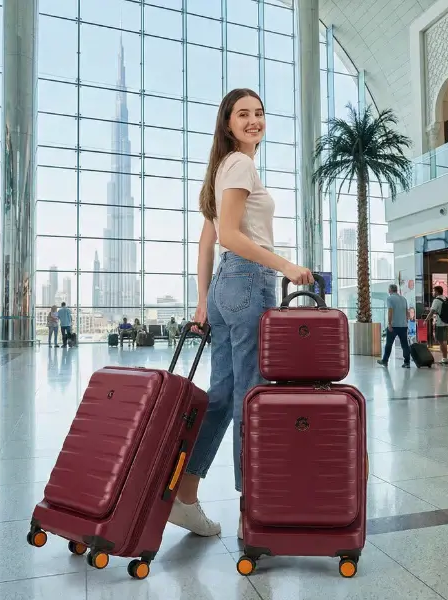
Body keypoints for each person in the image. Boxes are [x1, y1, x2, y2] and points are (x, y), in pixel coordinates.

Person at [167, 88, 313, 539]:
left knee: (225, 393)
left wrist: (204, 300)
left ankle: (184, 495)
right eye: (243, 114)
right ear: (227, 122)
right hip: (249, 282)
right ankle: (257, 510)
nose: (254, 120)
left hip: (226, 288)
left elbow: (207, 241)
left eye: (259, 113)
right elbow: (229, 235)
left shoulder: (222, 169)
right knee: (253, 396)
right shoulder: (240, 164)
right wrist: (285, 265)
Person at [378, 284, 411, 368]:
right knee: (405, 345)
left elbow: (390, 311)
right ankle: (407, 362)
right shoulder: (403, 299)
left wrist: (389, 323)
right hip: (403, 325)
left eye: (388, 289)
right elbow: (407, 312)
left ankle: (385, 361)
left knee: (389, 344)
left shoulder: (390, 298)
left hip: (394, 325)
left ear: (390, 290)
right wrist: (406, 322)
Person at [426, 285, 448, 365]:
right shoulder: (447, 299)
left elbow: (431, 312)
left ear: (437, 292)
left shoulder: (436, 300)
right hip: (447, 322)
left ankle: (444, 358)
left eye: (433, 291)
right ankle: (444, 357)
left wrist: (426, 320)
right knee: (443, 340)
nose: (432, 292)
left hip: (440, 323)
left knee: (442, 341)